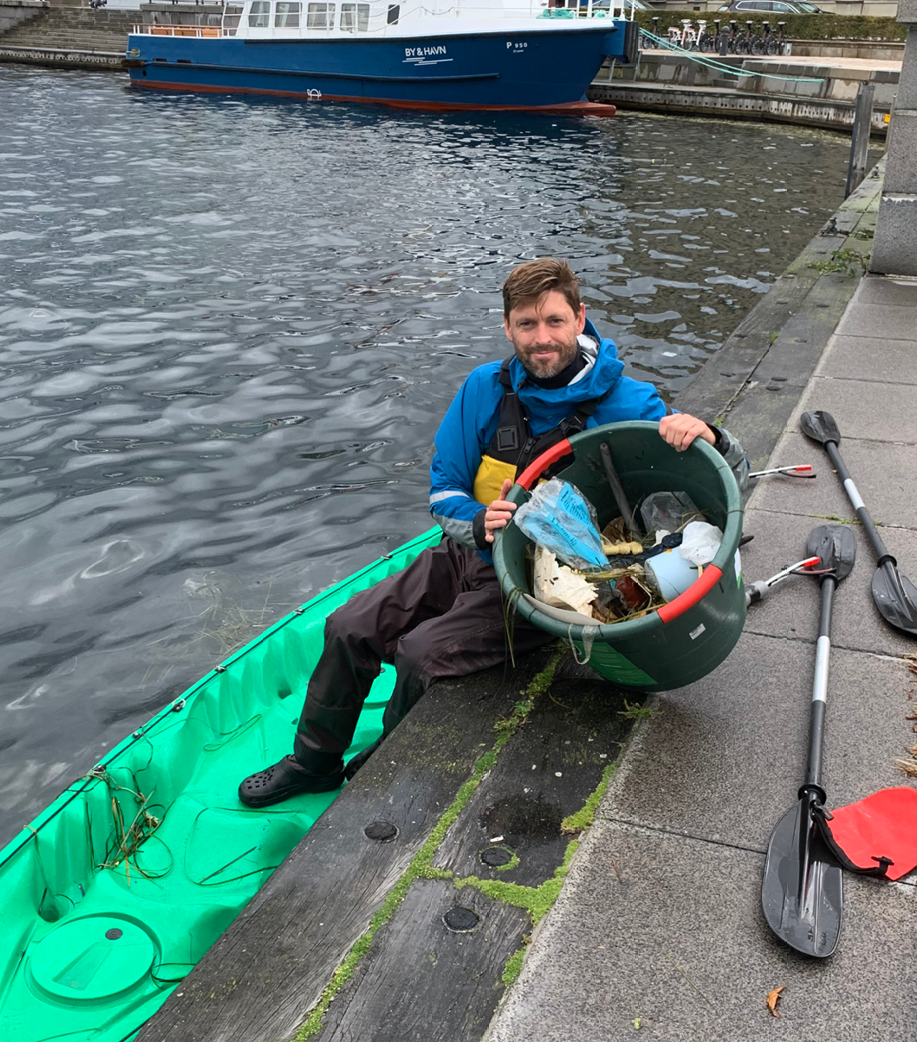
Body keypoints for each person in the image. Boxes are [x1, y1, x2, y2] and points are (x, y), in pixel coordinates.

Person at [238, 258, 748, 808]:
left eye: (554, 321)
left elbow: (723, 484)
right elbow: (443, 491)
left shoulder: (628, 402)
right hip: (463, 554)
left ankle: (385, 755)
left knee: (418, 654)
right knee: (348, 626)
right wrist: (477, 521)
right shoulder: (484, 388)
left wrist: (710, 435)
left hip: (536, 589)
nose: (542, 338)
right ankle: (313, 761)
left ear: (580, 318)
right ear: (508, 328)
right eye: (526, 325)